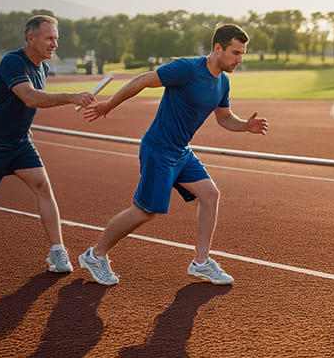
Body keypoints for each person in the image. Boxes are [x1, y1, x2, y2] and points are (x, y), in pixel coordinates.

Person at [76, 23, 268, 286]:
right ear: (217, 48)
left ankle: (201, 263)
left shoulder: (222, 82)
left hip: (181, 152)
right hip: (159, 149)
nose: (240, 59)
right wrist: (109, 104)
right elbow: (143, 80)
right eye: (236, 53)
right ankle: (95, 255)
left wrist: (245, 125)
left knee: (210, 195)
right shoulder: (188, 69)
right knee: (145, 211)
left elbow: (224, 118)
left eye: (242, 53)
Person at [0, 15, 96, 272]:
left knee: (43, 188)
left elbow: (34, 103)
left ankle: (58, 251)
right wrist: (71, 97)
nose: (55, 44)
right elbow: (29, 97)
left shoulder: (43, 68)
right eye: (49, 38)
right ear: (31, 38)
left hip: (21, 143)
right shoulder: (12, 62)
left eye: (56, 38)